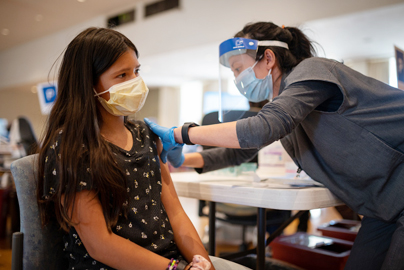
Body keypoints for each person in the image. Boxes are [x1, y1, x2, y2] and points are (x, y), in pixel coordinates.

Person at [145, 21, 404, 270]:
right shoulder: (285, 107)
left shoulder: (312, 71)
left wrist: (182, 134)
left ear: (268, 58)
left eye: (238, 69)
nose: (237, 79)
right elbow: (239, 152)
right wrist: (181, 161)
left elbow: (260, 129)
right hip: (381, 207)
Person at [36, 27, 214, 270]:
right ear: (88, 84)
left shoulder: (144, 133)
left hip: (171, 262)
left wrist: (203, 263)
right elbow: (101, 245)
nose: (135, 82)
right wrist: (175, 269)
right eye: (122, 75)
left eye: (136, 71)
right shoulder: (70, 147)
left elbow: (176, 214)